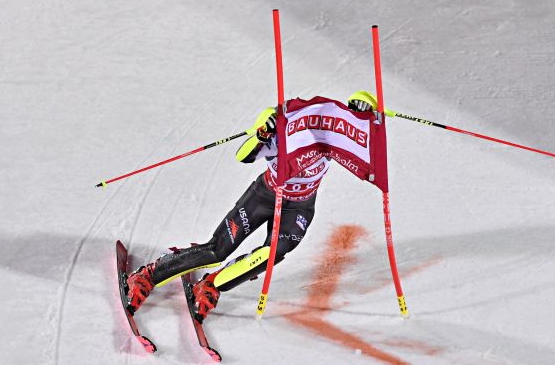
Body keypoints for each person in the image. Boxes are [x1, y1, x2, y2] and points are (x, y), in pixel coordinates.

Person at [125, 91, 379, 322]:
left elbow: (357, 120)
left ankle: (211, 286)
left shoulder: (330, 136)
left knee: (273, 254)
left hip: (299, 207)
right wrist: (261, 135)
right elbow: (243, 155)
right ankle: (147, 275)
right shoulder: (280, 136)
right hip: (265, 196)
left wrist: (364, 105)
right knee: (218, 250)